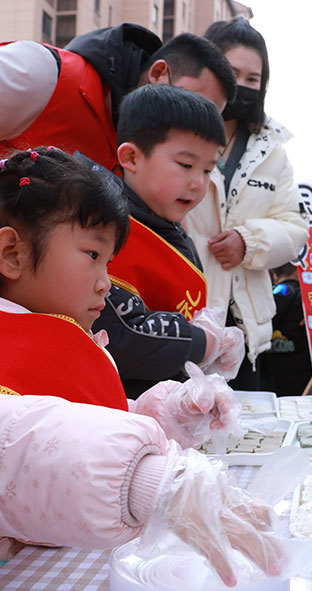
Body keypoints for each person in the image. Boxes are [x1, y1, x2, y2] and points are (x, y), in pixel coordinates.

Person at [0, 147, 282, 591]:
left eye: (109, 263)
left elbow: (73, 422)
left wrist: (171, 416)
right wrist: (144, 479)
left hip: (17, 573)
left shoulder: (36, 330)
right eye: (93, 254)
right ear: (12, 254)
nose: (106, 283)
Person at [0, 24, 237, 274]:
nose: (195, 123)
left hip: (0, 289)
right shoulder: (42, 75)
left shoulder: (146, 160)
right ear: (158, 74)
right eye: (192, 100)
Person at [78, 84, 244, 396]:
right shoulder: (100, 227)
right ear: (131, 157)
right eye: (185, 165)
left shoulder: (168, 224)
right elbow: (120, 336)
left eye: (208, 170)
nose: (198, 184)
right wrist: (203, 342)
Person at [183, 17, 309, 391]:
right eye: (231, 72)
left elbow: (294, 227)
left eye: (253, 79)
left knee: (241, 433)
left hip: (244, 327)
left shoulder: (274, 151)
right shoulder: (173, 129)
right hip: (184, 311)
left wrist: (249, 241)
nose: (241, 85)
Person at [258, 263, 312, 397]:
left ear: (275, 276)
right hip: (302, 375)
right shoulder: (311, 302)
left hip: (270, 371)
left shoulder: (268, 297)